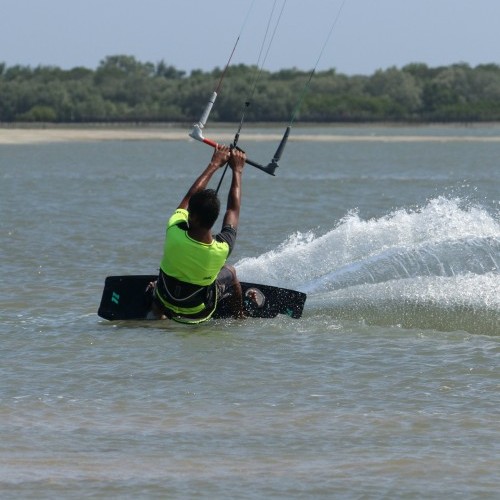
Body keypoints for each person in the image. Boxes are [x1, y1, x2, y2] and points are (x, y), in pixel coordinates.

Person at [150, 144, 246, 323]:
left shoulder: (174, 231)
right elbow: (233, 210)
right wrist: (237, 171)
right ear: (215, 218)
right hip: (198, 314)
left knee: (167, 271)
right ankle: (240, 317)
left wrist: (214, 164)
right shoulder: (222, 249)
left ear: (191, 217)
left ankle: (158, 312)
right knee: (230, 272)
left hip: (164, 300)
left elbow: (188, 198)